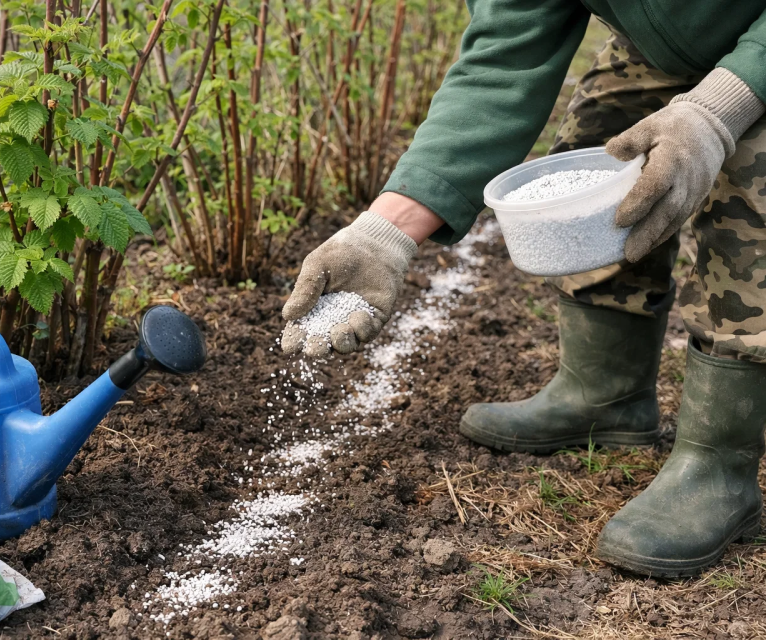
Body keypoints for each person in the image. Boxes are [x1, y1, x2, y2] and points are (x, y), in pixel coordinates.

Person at [282, 1, 766, 578]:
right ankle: (606, 394)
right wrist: (386, 232)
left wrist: (717, 112)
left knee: (752, 192)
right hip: (678, 44)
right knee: (604, 133)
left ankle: (718, 464)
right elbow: (502, 62)